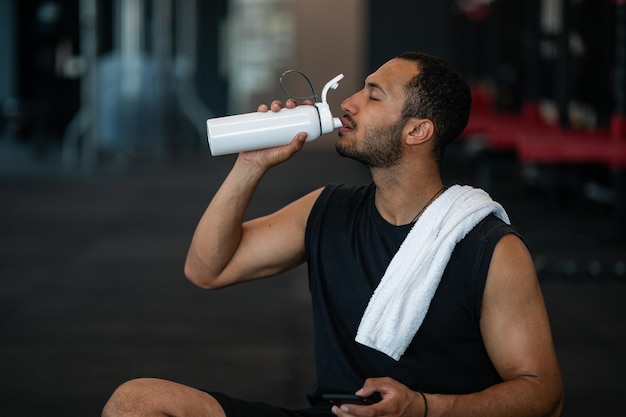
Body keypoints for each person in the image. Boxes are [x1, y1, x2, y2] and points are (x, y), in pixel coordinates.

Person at [102, 52, 564, 417]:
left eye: (374, 95)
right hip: (332, 413)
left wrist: (425, 407)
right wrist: (251, 165)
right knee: (135, 402)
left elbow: (544, 396)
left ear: (418, 131)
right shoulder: (327, 209)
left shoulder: (490, 248)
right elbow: (207, 269)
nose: (349, 102)